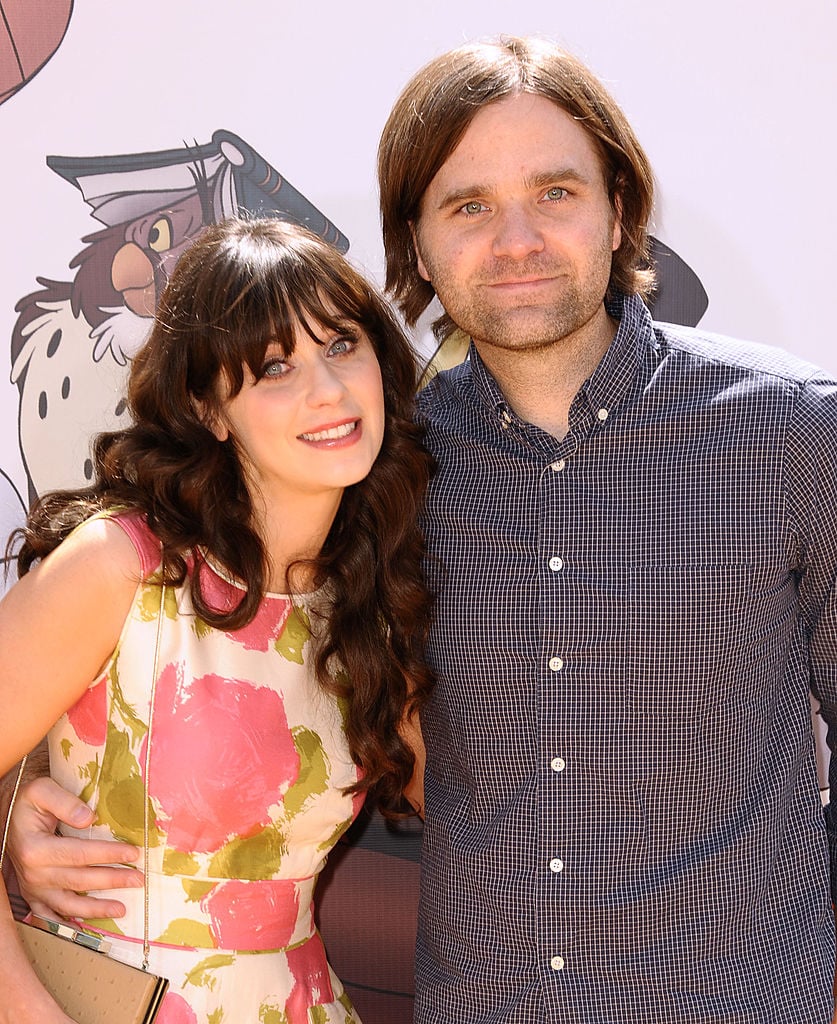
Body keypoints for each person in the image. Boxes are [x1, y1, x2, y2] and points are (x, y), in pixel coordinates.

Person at [8, 33, 837, 1024]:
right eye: (469, 205)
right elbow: (164, 671)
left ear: (621, 209)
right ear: (420, 246)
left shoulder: (790, 436)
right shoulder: (380, 478)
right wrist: (22, 797)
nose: (516, 237)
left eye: (556, 193)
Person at [0, 215, 433, 1024]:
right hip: (95, 1001)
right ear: (208, 409)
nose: (329, 391)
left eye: (342, 344)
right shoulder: (124, 564)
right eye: (274, 367)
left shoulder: (373, 599)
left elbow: (470, 798)